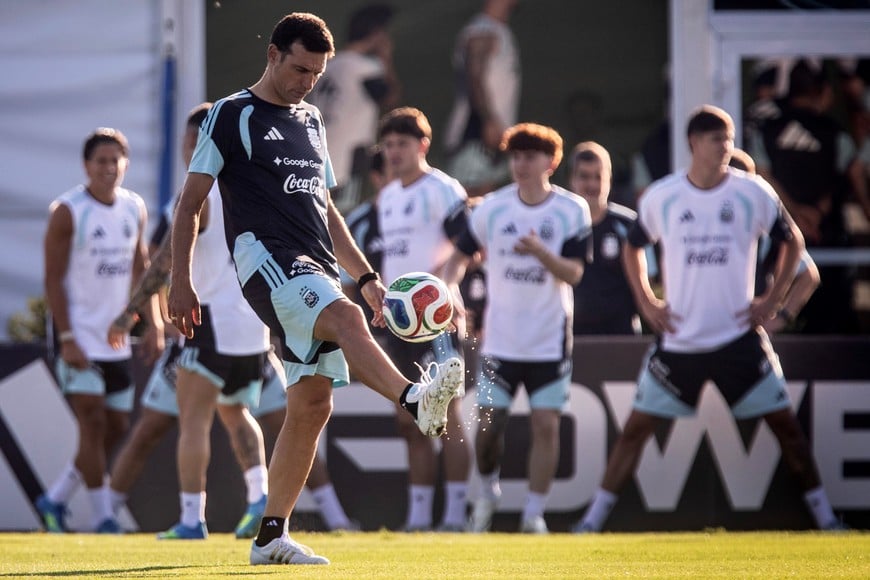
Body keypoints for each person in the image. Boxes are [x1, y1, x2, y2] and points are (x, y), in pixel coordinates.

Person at [166, 13, 463, 566]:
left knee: (311, 405)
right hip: (267, 263)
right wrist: (179, 282)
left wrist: (368, 277)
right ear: (274, 54)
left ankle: (269, 536)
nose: (307, 82)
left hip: (318, 266)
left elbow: (328, 213)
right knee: (347, 320)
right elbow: (190, 205)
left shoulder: (311, 120)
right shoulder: (231, 115)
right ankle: (415, 400)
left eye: (317, 72)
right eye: (300, 69)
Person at [572, 105, 843, 534]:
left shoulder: (752, 193)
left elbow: (794, 242)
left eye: (730, 138)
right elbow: (634, 246)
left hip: (739, 339)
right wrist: (646, 301)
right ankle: (590, 522)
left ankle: (827, 520)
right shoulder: (664, 196)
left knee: (788, 430)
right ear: (694, 143)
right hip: (680, 342)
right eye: (718, 138)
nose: (726, 147)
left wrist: (773, 301)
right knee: (635, 431)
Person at [442, 123, 593, 534]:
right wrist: (449, 289)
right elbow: (457, 259)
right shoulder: (492, 208)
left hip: (549, 342)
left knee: (546, 425)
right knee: (490, 428)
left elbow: (575, 273)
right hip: (499, 343)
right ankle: (487, 492)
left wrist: (542, 252)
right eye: (516, 156)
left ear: (551, 162)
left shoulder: (571, 210)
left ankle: (533, 515)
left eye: (530, 156)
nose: (521, 164)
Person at [38, 127, 160, 534]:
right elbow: (53, 279)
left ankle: (54, 499)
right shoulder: (68, 210)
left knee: (116, 428)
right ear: (86, 166)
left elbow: (142, 267)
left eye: (116, 160)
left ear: (125, 164)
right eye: (101, 161)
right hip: (78, 336)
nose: (109, 168)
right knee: (90, 423)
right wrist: (68, 337)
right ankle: (103, 516)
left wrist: (154, 322)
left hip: (116, 339)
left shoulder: (134, 208)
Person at [377, 107, 472, 532]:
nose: (394, 152)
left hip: (436, 322)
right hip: (400, 326)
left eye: (403, 144)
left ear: (423, 146)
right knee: (408, 416)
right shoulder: (387, 197)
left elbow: (468, 246)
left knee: (448, 416)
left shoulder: (443, 189)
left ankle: (454, 517)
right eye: (389, 144)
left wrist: (447, 287)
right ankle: (418, 520)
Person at [751, 59, 870, 333]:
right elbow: (851, 175)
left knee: (780, 329)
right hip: (823, 238)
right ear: (824, 91)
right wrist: (815, 213)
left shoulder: (766, 130)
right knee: (828, 323)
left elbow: (762, 176)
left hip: (781, 242)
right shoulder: (834, 132)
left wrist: (792, 213)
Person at [306, 3, 400, 213]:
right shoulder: (365, 68)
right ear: (376, 33)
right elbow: (390, 98)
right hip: (347, 160)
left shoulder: (326, 67)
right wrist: (386, 59)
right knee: (344, 221)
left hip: (316, 154)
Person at [728, 147, 821, 334]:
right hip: (704, 331)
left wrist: (779, 314)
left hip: (748, 332)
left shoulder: (768, 232)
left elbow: (809, 275)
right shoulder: (698, 227)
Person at [444, 0, 520, 198]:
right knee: (472, 204)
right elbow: (474, 77)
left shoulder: (497, 30)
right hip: (474, 136)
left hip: (491, 137)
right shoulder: (482, 31)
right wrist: (488, 120)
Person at [569, 141, 641, 335]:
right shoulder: (560, 225)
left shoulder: (630, 225)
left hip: (621, 334)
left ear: (609, 180)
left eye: (598, 177)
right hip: (571, 336)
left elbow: (648, 282)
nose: (591, 184)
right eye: (584, 176)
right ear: (572, 180)